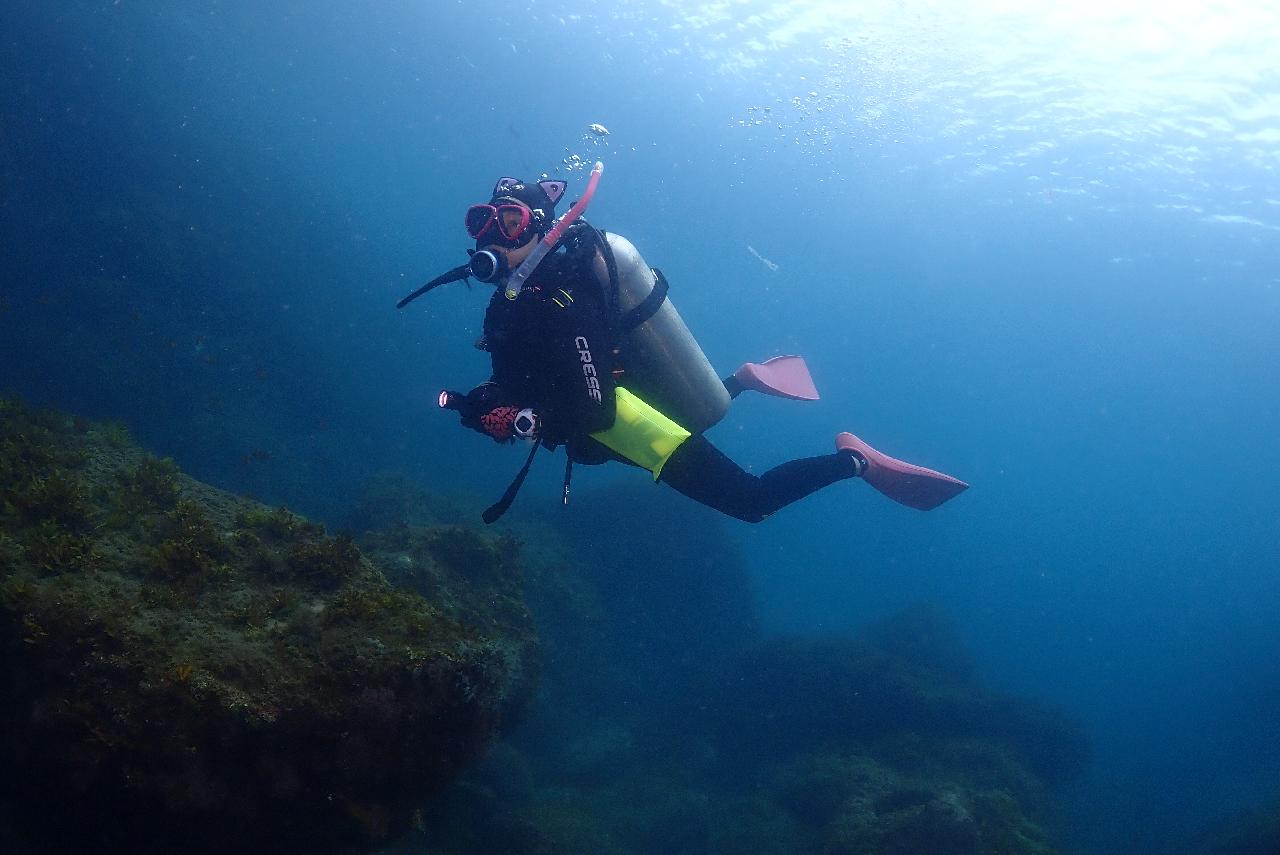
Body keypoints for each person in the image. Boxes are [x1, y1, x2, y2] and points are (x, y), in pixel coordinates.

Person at [401, 167, 967, 523]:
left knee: (751, 502)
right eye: (483, 223)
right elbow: (517, 378)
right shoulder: (505, 306)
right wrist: (485, 406)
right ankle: (742, 380)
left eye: (509, 219)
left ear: (540, 225)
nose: (493, 236)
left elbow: (595, 408)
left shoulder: (562, 299)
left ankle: (856, 460)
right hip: (601, 417)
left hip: (620, 421)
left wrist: (526, 416)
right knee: (701, 415)